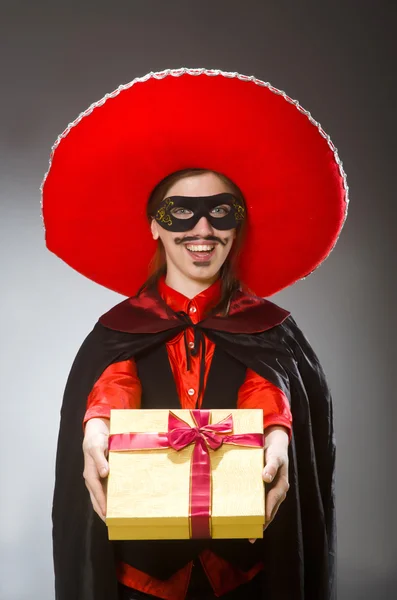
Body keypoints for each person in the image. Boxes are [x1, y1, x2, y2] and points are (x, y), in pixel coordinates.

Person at [42, 68, 348, 600]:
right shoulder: (121, 327)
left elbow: (265, 385)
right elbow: (116, 382)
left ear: (238, 225)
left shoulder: (270, 328)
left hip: (243, 575)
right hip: (141, 577)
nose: (201, 231)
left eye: (219, 213)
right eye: (180, 213)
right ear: (154, 225)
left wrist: (278, 438)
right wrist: (95, 431)